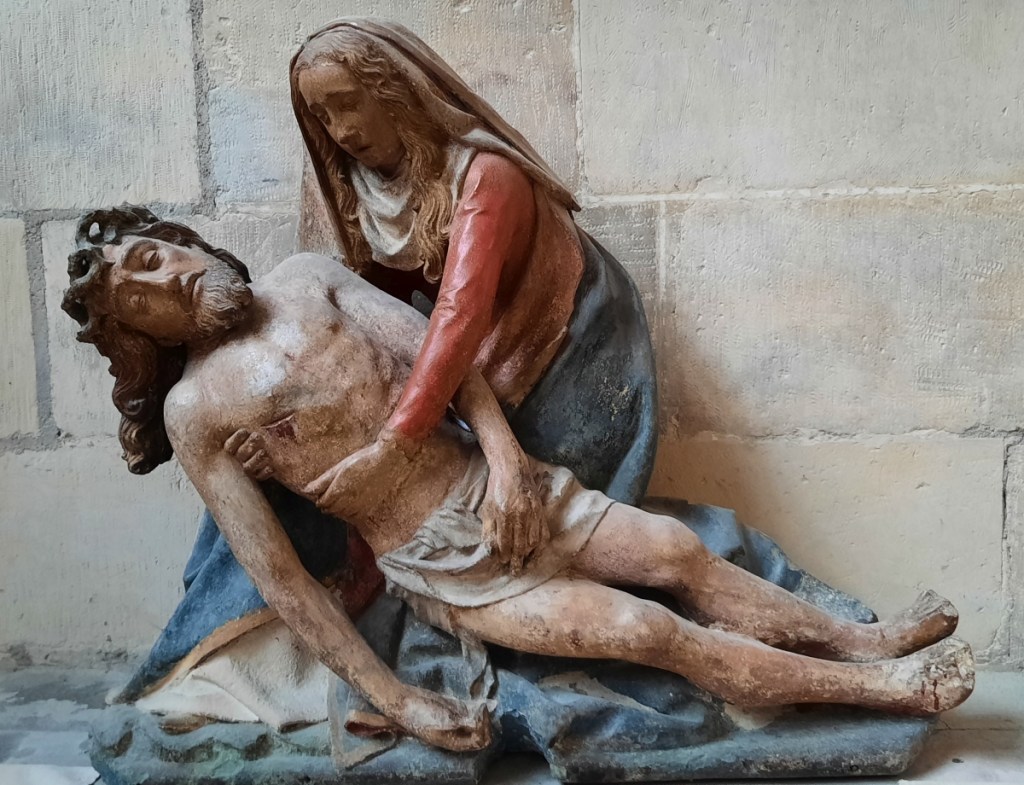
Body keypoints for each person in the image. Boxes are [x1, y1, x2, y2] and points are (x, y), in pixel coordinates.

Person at [63, 207, 973, 752]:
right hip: (444, 562)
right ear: (139, 333)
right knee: (646, 629)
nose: (164, 281)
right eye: (137, 297)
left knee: (676, 550)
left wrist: (506, 463)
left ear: (181, 241)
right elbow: (284, 581)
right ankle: (887, 689)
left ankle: (866, 641)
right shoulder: (196, 411)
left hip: (507, 487)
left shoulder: (308, 279)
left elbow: (445, 358)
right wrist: (398, 699)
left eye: (153, 256)